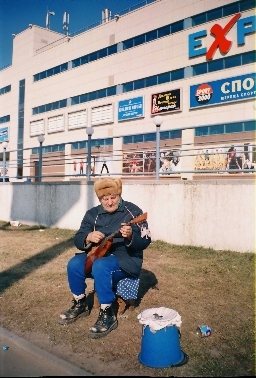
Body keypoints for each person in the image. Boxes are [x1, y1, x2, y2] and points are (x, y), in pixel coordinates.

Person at [58, 177, 151, 339]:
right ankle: (80, 303)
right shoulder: (92, 214)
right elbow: (78, 237)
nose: (109, 202)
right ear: (99, 198)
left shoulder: (133, 211)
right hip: (97, 255)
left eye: (113, 197)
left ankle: (107, 313)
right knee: (74, 264)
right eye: (105, 199)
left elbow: (146, 240)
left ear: (119, 195)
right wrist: (88, 237)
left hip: (126, 259)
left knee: (101, 266)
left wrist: (130, 236)